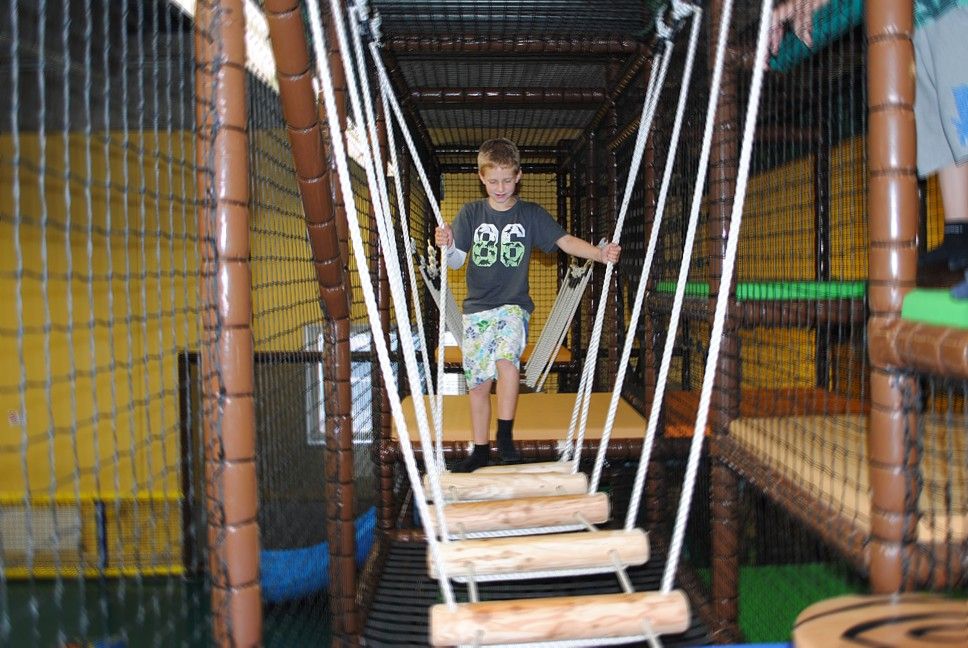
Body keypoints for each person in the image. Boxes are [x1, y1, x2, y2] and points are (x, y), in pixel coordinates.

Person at [435, 138, 621, 473]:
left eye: (507, 180)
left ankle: (505, 435)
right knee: (478, 386)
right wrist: (447, 246)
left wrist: (598, 253)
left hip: (513, 306)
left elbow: (564, 241)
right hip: (476, 310)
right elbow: (456, 261)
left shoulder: (530, 214)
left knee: (507, 362)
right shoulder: (470, 213)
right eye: (493, 181)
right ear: (481, 177)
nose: (500, 188)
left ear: (518, 176)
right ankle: (480, 450)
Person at [768, 0, 968, 298]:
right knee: (945, 125)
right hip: (921, 18)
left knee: (961, 106)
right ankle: (959, 232)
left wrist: (801, 5)